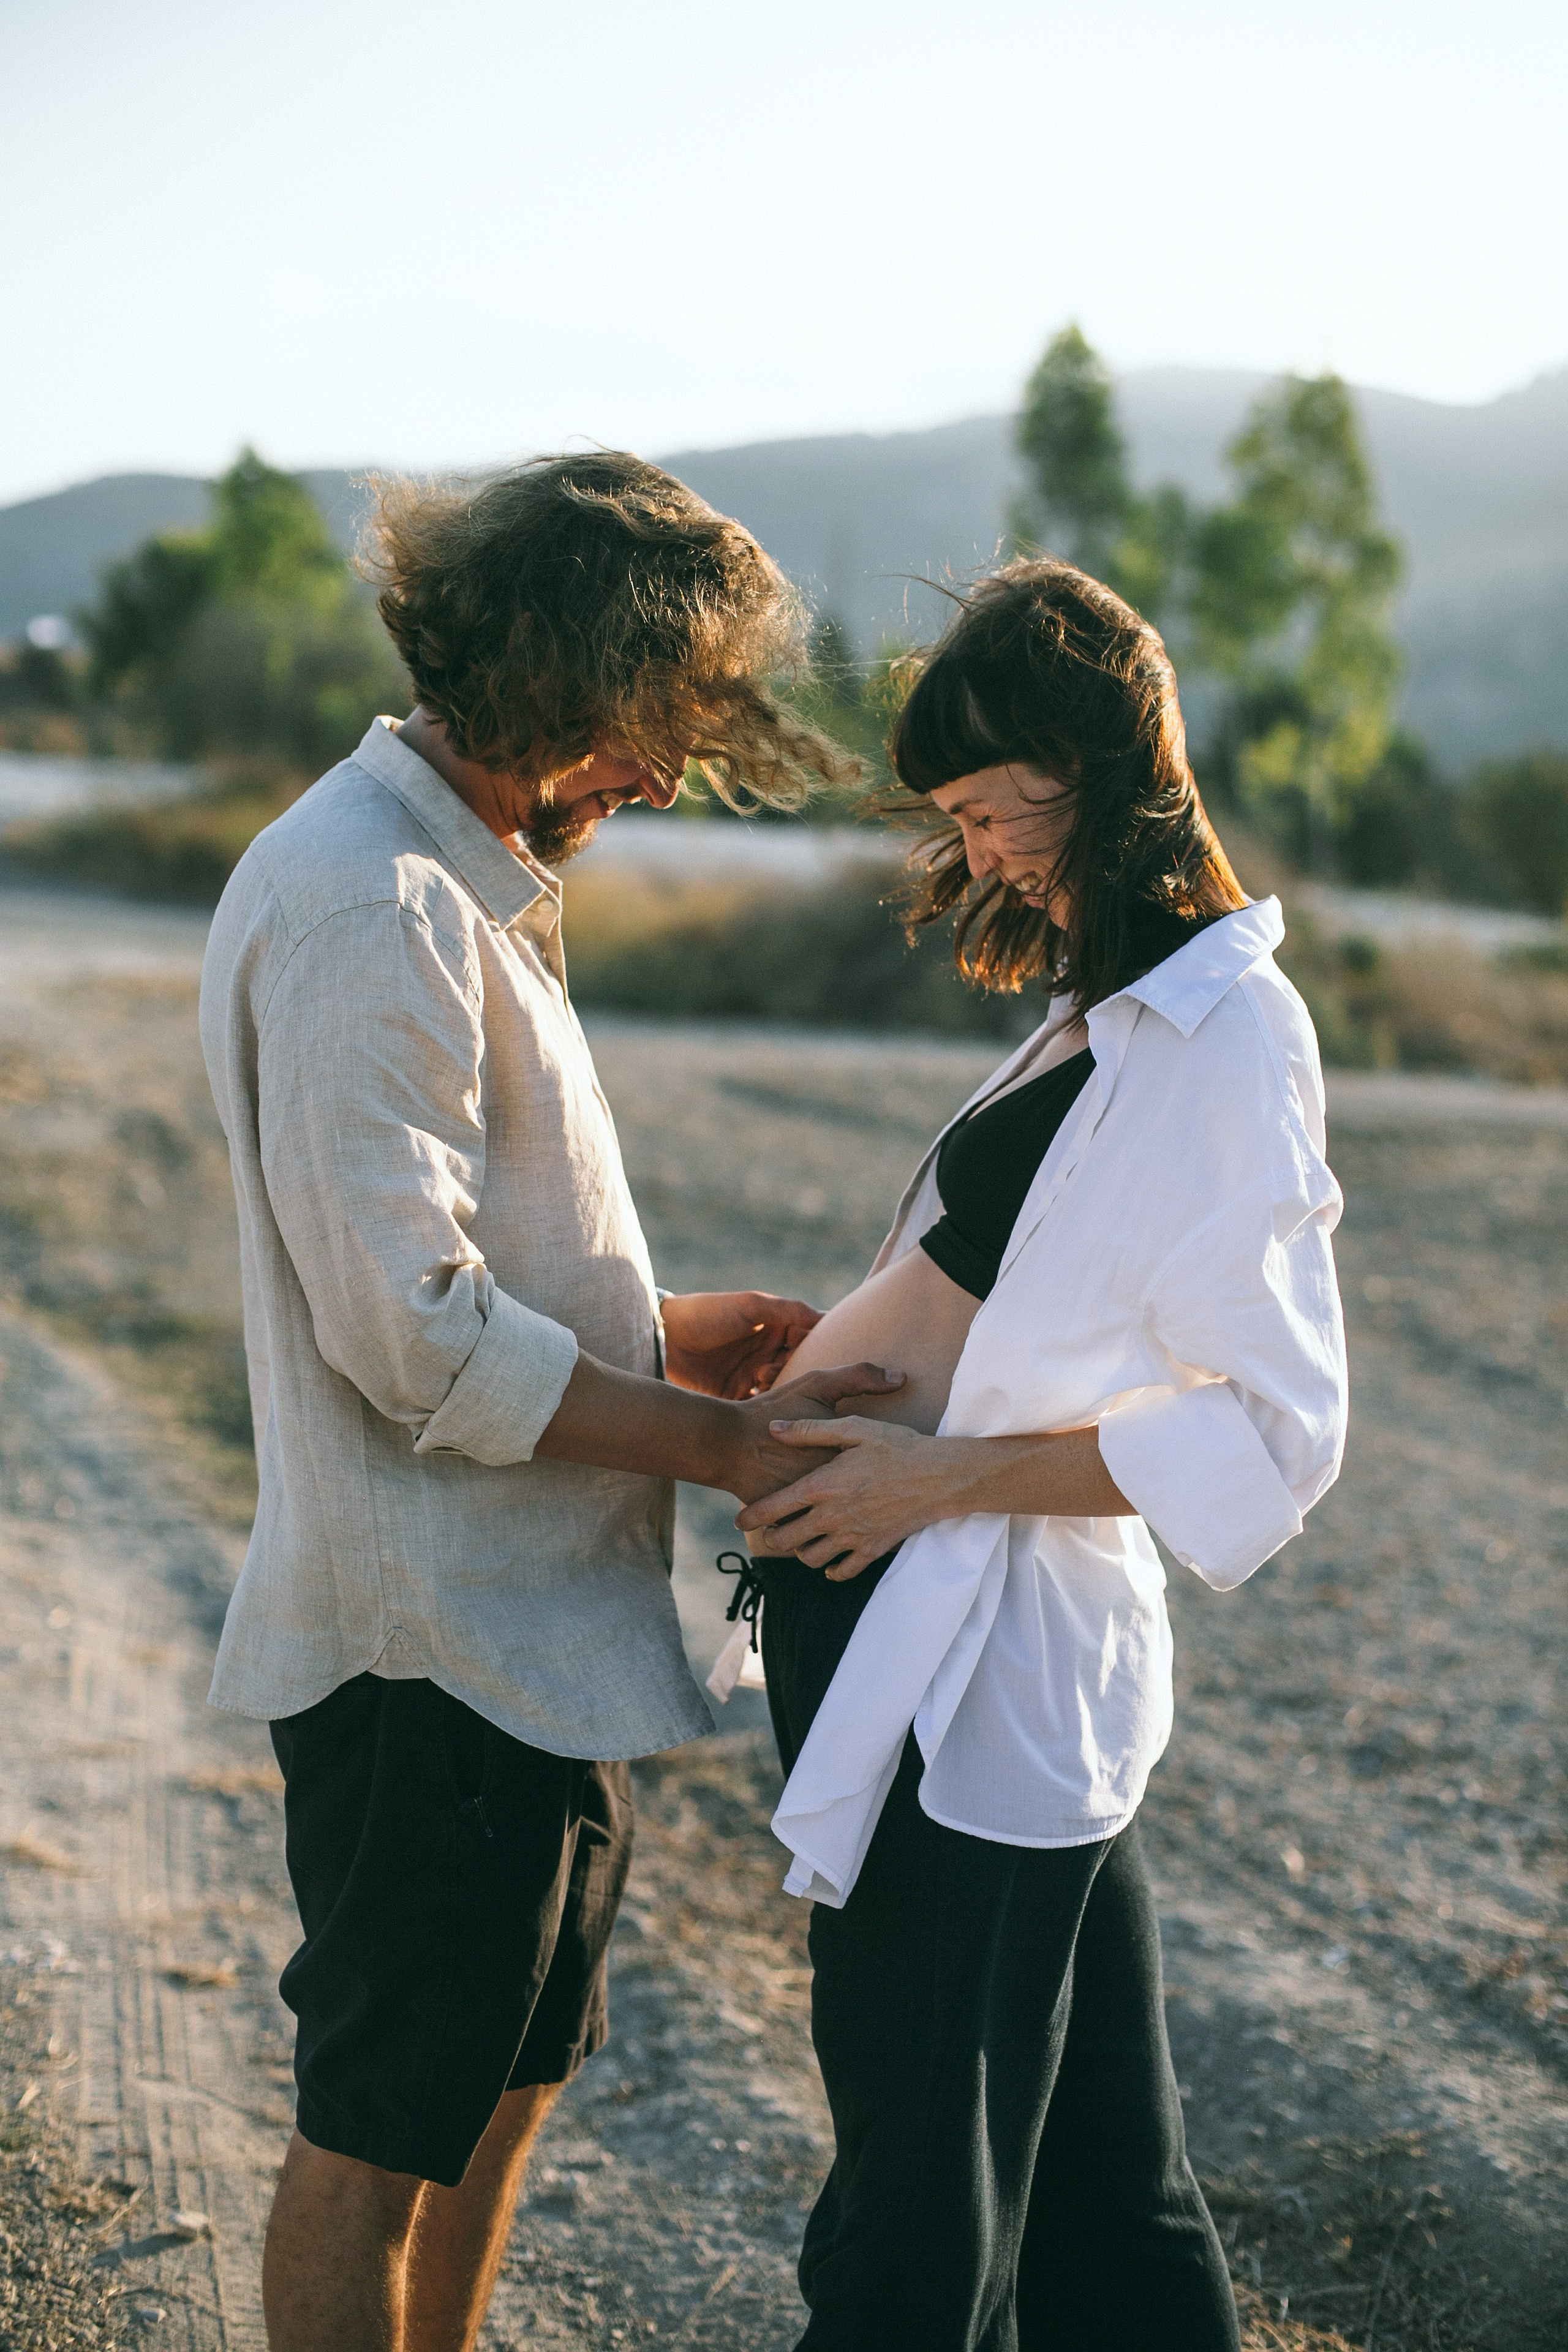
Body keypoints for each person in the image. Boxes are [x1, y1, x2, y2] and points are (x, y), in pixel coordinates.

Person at [198, 452, 900, 2352]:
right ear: (539, 670)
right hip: (434, 1656)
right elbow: (410, 1333)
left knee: (503, 2101)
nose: (661, 776)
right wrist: (722, 1447)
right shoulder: (377, 903)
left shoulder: (453, 878)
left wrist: (664, 1334)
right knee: (378, 2140)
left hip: (523, 1640)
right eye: (644, 726)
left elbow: (456, 1275)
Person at [728, 560, 1349, 2352]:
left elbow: (1274, 1424)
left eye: (998, 809)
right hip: (925, 1626)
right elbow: (1006, 1298)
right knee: (1104, 2190)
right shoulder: (1105, 1014)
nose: (985, 852)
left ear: (1103, 768)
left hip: (985, 1649)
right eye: (959, 819)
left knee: (915, 2217)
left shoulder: (1230, 1035)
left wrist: (937, 1477)